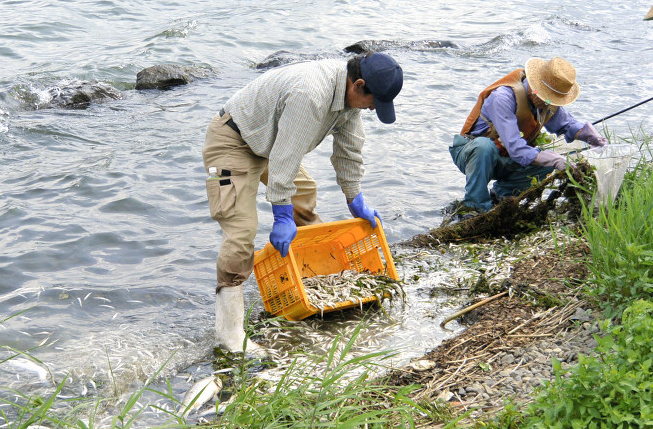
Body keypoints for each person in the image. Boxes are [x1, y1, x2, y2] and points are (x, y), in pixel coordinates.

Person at [203, 53, 403, 354]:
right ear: (359, 85)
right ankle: (230, 336)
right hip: (234, 141)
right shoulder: (310, 94)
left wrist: (354, 197)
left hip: (269, 142)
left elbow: (348, 149)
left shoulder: (348, 98)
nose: (374, 108)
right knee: (242, 232)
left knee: (305, 192)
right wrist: (281, 213)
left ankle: (309, 287)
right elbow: (285, 156)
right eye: (374, 101)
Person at [448, 56, 607, 220]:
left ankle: (503, 197)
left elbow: (567, 124)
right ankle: (476, 207)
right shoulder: (502, 98)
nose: (549, 104)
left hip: (505, 158)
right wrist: (554, 160)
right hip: (472, 155)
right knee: (484, 147)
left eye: (554, 100)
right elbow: (516, 149)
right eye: (547, 98)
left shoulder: (546, 103)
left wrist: (592, 136)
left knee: (544, 164)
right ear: (533, 86)